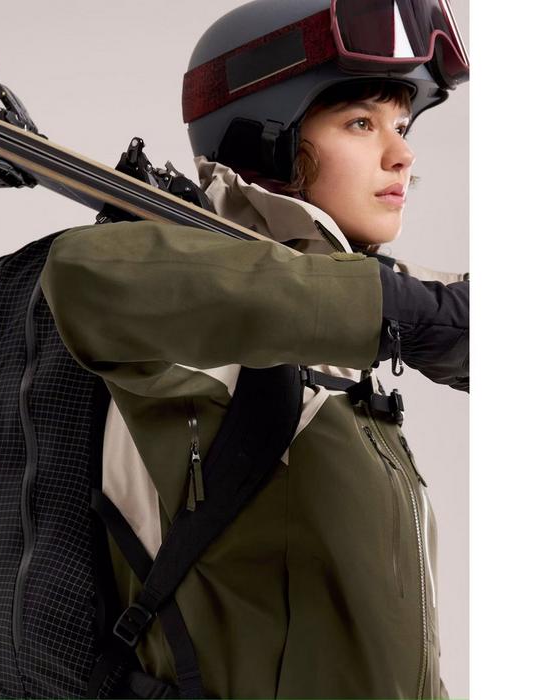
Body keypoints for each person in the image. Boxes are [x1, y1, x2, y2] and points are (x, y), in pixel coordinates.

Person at [41, 0, 469, 697]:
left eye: (401, 124)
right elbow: (85, 277)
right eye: (361, 123)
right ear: (269, 138)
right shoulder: (200, 333)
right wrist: (399, 311)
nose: (402, 153)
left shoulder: (330, 338)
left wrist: (428, 314)